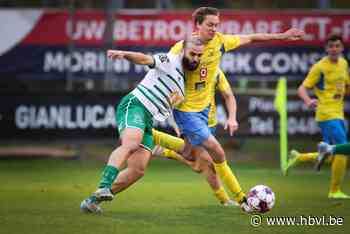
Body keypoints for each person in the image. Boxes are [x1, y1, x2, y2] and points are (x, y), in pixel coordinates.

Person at [168, 7, 305, 210]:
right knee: (218, 153)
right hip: (187, 111)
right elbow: (162, 72)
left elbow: (252, 38)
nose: (214, 28)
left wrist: (282, 36)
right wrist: (170, 107)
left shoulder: (220, 43)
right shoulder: (180, 48)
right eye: (210, 24)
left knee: (197, 161)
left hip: (206, 113)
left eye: (216, 24)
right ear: (197, 25)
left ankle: (160, 144)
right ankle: (243, 200)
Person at [80, 35, 205, 213]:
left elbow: (172, 109)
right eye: (193, 54)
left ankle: (91, 202)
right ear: (183, 50)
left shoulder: (185, 84)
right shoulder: (170, 60)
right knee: (130, 144)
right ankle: (104, 185)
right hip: (135, 105)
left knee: (137, 170)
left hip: (148, 119)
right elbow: (145, 58)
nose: (196, 59)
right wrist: (124, 54)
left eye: (200, 56)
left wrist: (180, 129)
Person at [290, 34, 349, 199]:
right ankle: (334, 190)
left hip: (338, 113)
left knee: (333, 154)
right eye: (331, 46)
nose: (334, 49)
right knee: (343, 149)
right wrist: (308, 100)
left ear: (342, 48)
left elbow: (345, 86)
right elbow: (301, 88)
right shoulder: (320, 67)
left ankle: (300, 157)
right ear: (326, 48)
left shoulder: (344, 63)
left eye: (337, 46)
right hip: (326, 114)